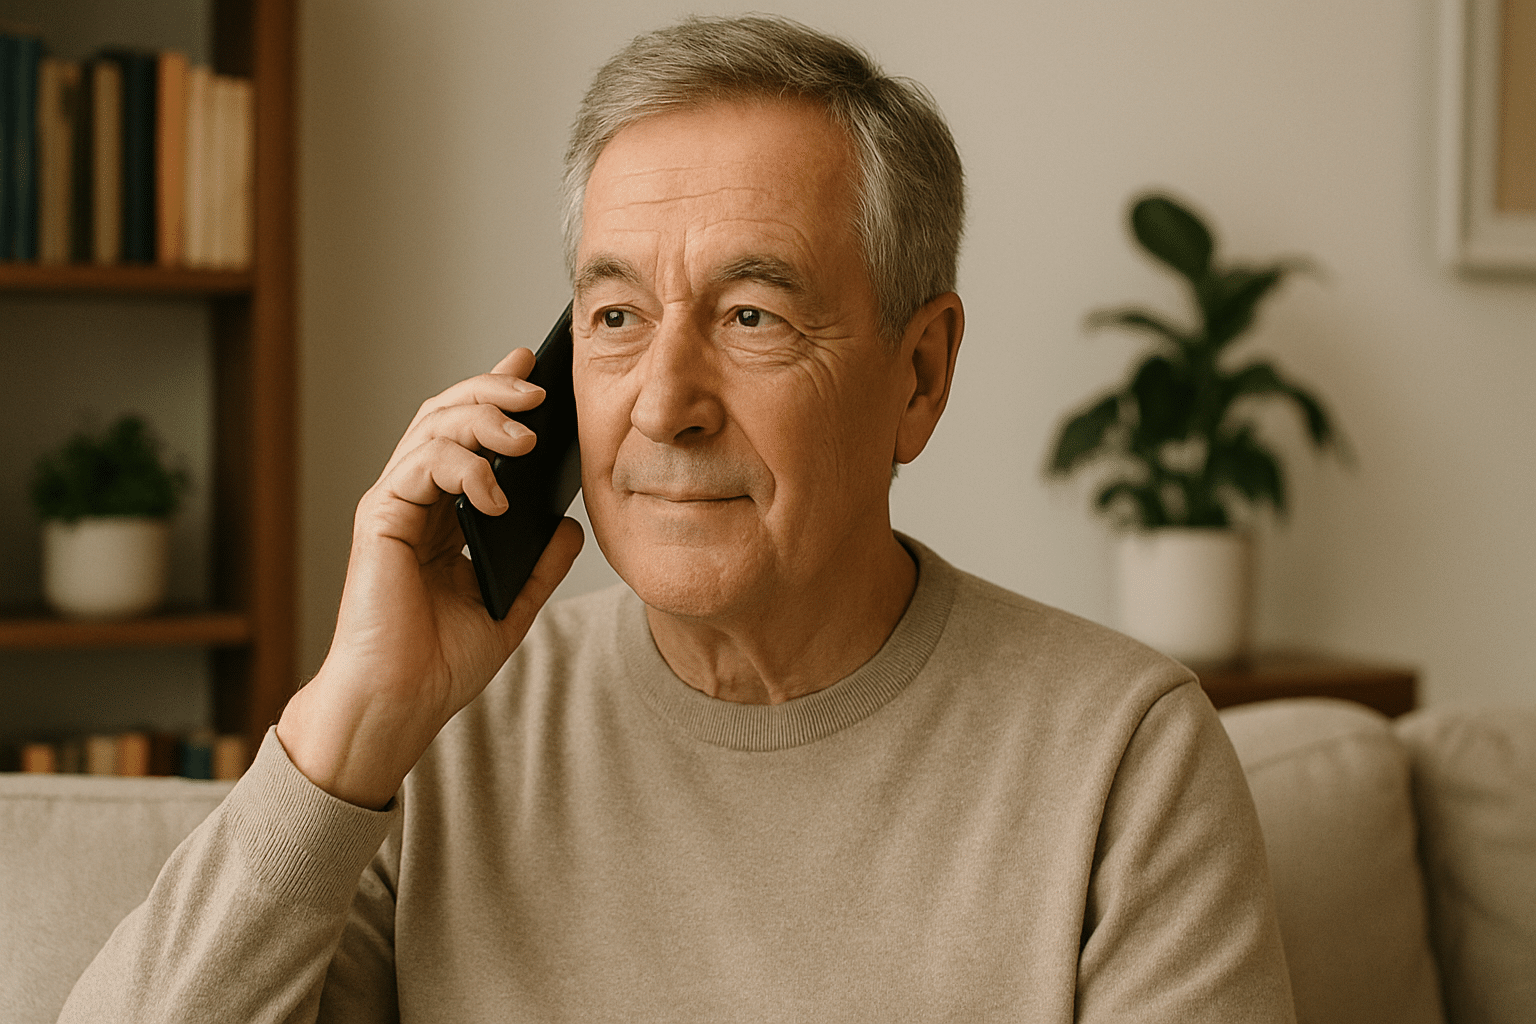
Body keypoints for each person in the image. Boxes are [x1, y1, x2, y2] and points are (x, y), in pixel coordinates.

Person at [62, 15, 1295, 1023]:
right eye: (613, 318)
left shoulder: (1124, 759)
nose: (663, 403)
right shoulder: (444, 733)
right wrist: (350, 724)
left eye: (752, 316)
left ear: (918, 375)